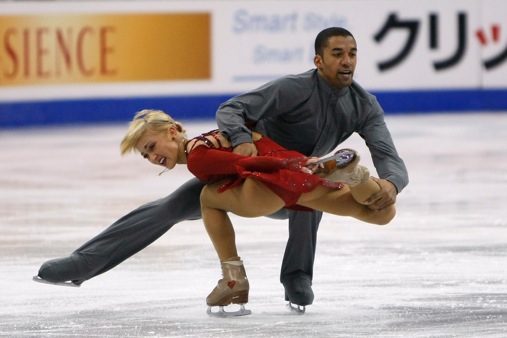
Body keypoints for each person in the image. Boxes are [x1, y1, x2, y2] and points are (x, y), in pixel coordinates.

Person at [34, 27, 408, 312]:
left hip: (294, 173)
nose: (347, 61)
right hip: (252, 170)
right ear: (319, 60)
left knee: (311, 198)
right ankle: (83, 263)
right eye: (338, 54)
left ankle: (294, 277)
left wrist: (392, 183)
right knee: (170, 208)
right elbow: (232, 109)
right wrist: (242, 139)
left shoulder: (364, 105)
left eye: (352, 54)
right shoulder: (292, 89)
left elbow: (387, 151)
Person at [119, 109, 395, 315]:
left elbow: (246, 162)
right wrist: (302, 164)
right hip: (301, 179)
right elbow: (263, 144)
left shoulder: (197, 158)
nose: (153, 157)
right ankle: (357, 177)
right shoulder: (229, 131)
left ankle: (233, 280)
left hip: (270, 186)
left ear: (173, 130)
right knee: (381, 214)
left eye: (152, 147)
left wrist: (292, 163)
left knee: (208, 199)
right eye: (146, 155)